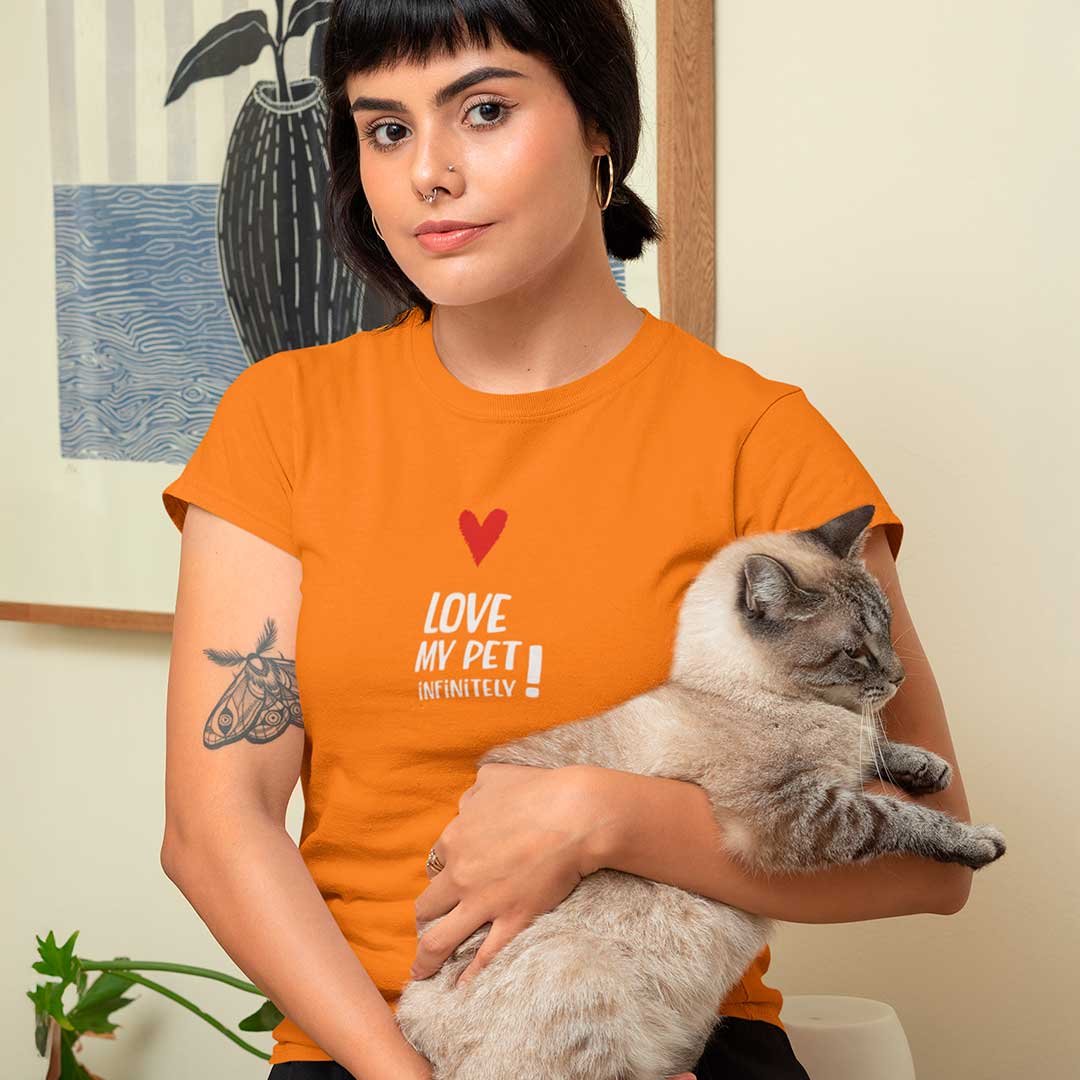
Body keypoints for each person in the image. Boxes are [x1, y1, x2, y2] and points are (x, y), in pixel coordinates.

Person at [159, 2, 974, 1078]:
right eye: (387, 129)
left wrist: (606, 817)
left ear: (599, 122)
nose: (428, 173)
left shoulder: (758, 439)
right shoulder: (283, 420)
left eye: (483, 110)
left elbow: (931, 856)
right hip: (372, 1048)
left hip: (661, 1045)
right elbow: (216, 830)